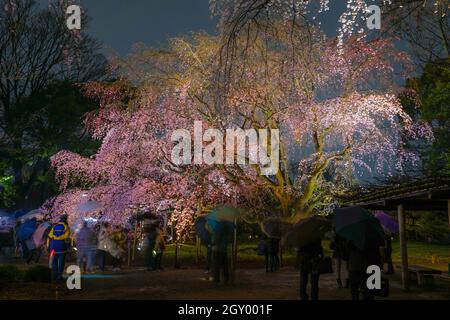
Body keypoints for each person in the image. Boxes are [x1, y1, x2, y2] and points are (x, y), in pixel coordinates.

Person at [47, 215, 71, 282]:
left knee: (54, 262)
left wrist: (49, 247)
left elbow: (50, 236)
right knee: (61, 262)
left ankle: (54, 276)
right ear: (65, 219)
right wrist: (68, 247)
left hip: (54, 246)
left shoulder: (54, 226)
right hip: (62, 246)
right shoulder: (66, 227)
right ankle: (59, 277)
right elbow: (66, 238)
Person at [212, 221, 233, 285]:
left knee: (216, 265)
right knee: (224, 264)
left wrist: (213, 242)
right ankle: (226, 278)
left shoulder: (219, 226)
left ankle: (217, 279)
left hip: (217, 248)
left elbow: (217, 238)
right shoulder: (227, 226)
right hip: (224, 248)